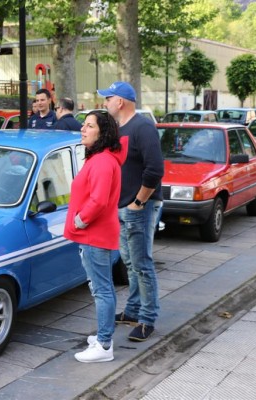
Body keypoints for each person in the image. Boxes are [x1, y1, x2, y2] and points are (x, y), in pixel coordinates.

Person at [98, 81, 164, 342]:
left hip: (140, 207)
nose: (105, 103)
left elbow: (155, 170)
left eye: (108, 99)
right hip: (123, 207)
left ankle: (147, 319)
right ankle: (133, 310)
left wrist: (138, 202)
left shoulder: (143, 127)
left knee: (142, 264)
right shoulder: (118, 129)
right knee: (130, 263)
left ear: (120, 102)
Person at [64, 111, 128, 363]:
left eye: (89, 126)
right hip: (97, 233)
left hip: (95, 234)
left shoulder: (102, 161)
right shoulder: (103, 158)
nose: (83, 129)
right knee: (102, 288)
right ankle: (104, 337)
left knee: (101, 290)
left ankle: (103, 345)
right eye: (84, 124)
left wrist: (80, 220)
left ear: (102, 133)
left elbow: (99, 200)